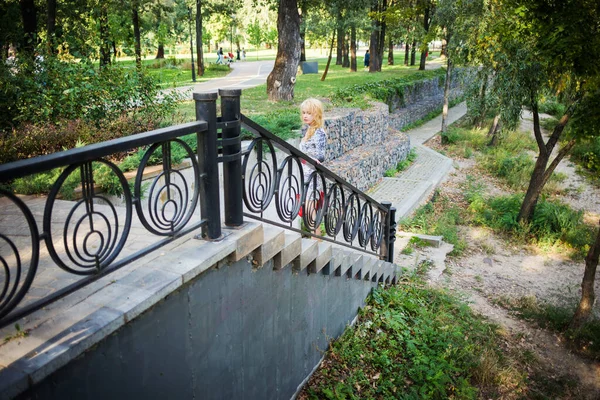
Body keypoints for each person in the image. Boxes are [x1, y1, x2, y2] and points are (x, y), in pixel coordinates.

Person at [298, 98, 327, 234]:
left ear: (316, 114)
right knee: (308, 207)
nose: (305, 115)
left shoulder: (319, 132)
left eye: (309, 113)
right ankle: (315, 237)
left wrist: (308, 158)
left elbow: (321, 155)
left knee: (310, 207)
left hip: (312, 174)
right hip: (305, 173)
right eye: (304, 112)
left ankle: (317, 238)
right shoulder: (309, 130)